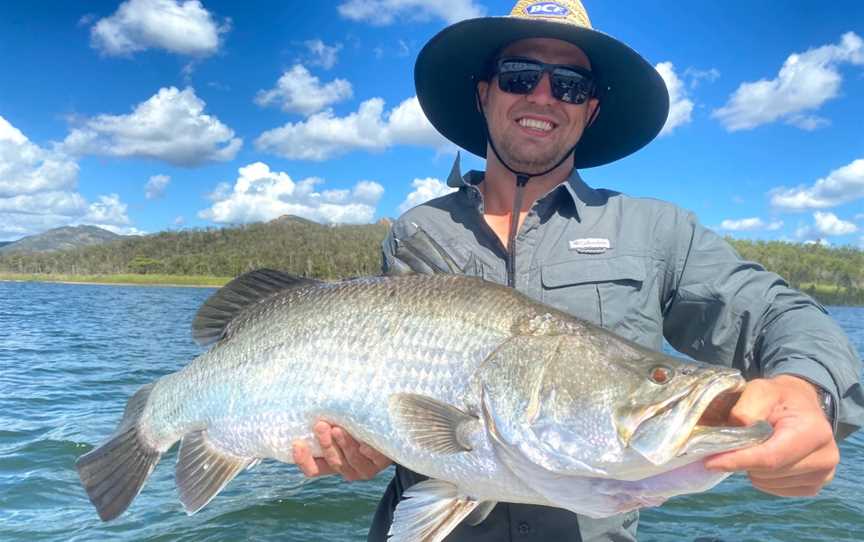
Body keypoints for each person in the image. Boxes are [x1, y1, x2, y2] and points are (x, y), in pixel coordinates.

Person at [292, 1, 864, 540]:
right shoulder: (416, 232)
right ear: (484, 92)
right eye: (520, 75)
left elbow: (778, 313)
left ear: (589, 110)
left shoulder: (657, 230)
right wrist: (358, 446)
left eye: (570, 85)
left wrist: (808, 391)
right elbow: (393, 406)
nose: (543, 96)